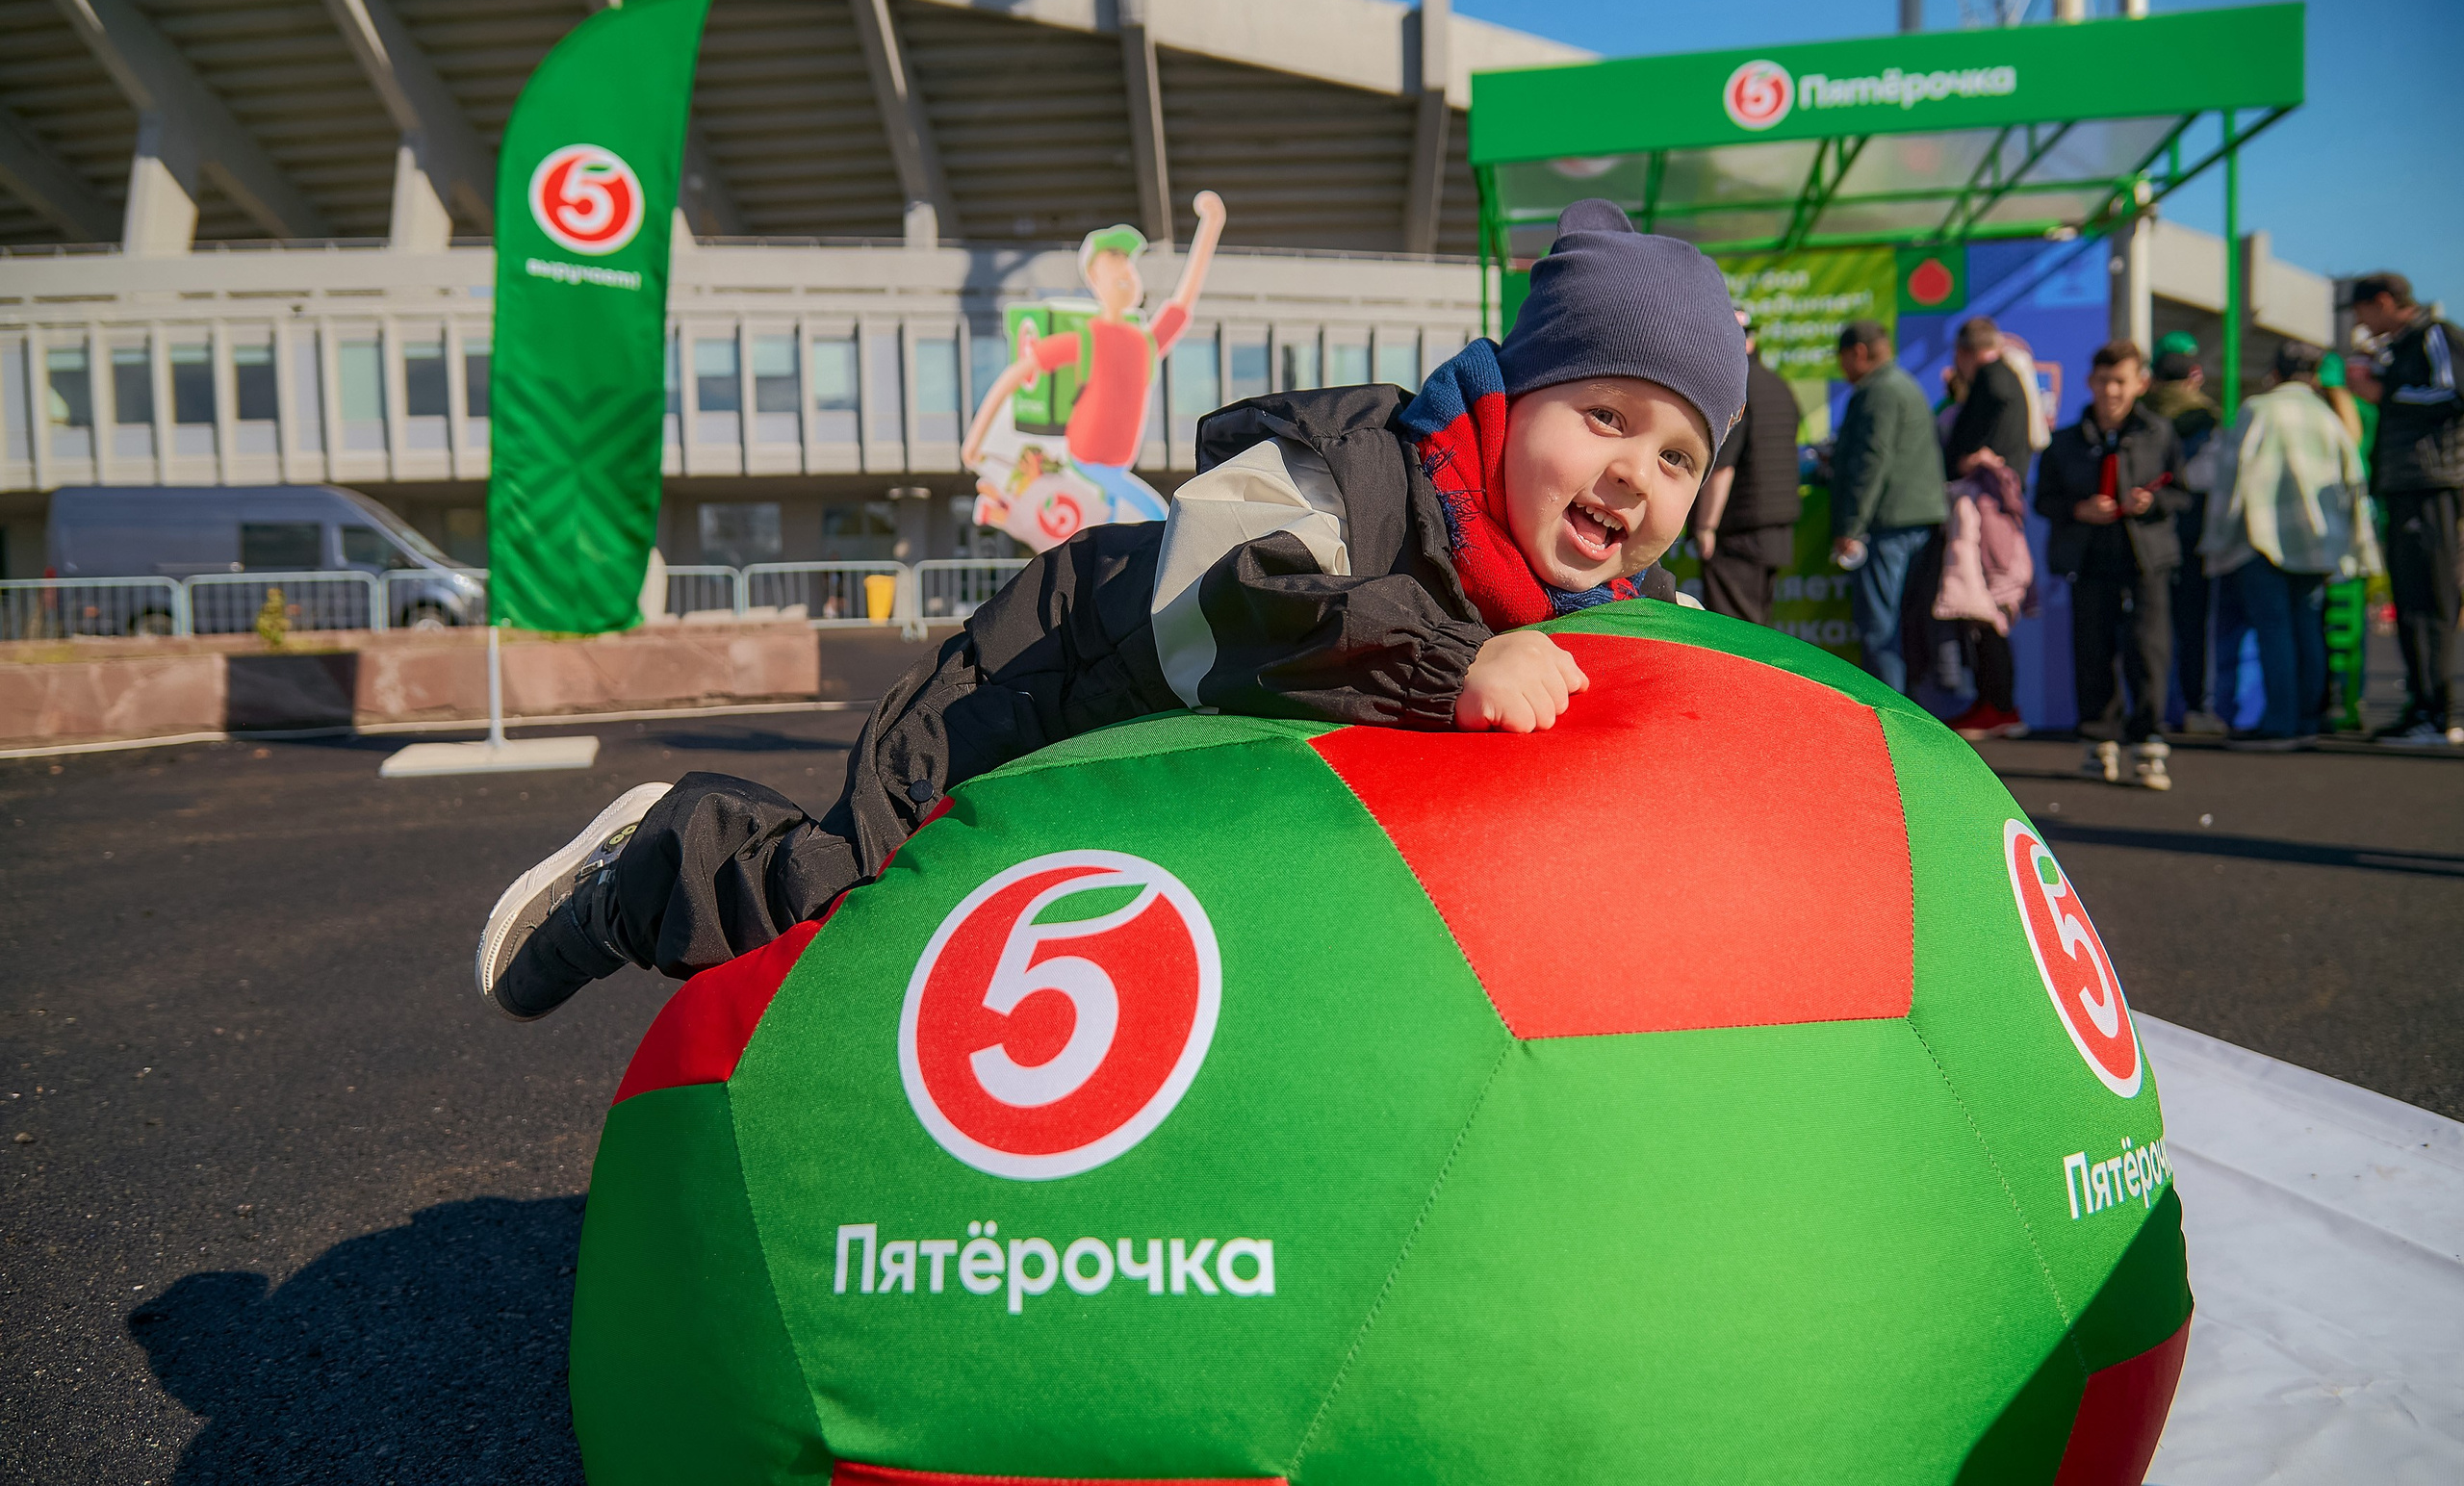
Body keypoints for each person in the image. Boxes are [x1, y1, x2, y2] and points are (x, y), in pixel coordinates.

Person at [477, 199, 1748, 1020]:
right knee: (857, 921)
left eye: (1680, 456)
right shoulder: (1355, 467)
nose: (1635, 472)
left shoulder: (1592, 607)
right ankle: (652, 870)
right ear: (1514, 398)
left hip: (1180, 801)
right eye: (1606, 417)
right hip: (1040, 687)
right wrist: (1444, 665)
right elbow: (1228, 598)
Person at [963, 192, 1229, 525]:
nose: (1126, 275)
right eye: (1114, 266)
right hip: (1087, 462)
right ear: (1094, 280)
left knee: (1112, 532)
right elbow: (1018, 372)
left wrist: (1210, 226)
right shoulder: (1088, 338)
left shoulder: (1144, 342)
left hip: (1115, 464)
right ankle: (1003, 509)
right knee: (1158, 517)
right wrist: (974, 440)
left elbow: (1183, 302)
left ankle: (1002, 511)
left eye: (1129, 267)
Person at [2197, 342, 2380, 750]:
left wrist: (2217, 538)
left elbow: (2231, 476)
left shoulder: (2258, 410)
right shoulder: (2329, 418)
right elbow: (2353, 479)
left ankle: (2279, 722)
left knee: (2273, 629)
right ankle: (2305, 720)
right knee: (2308, 629)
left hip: (2262, 539)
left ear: (2274, 373)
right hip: (2317, 543)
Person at [2036, 341, 2190, 791]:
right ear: (2090, 382)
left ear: (2140, 383)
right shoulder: (2064, 441)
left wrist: (2151, 501)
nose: (2111, 391)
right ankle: (2098, 744)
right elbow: (2043, 500)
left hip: (2147, 560)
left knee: (2148, 651)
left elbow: (2182, 492)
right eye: (2103, 381)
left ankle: (2149, 745)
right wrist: (2079, 509)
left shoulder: (2159, 433)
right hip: (2087, 561)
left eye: (2121, 381)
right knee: (2092, 651)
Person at [2344, 271, 2462, 746]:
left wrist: (2385, 390)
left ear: (2385, 301)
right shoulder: (2399, 346)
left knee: (2432, 598)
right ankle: (2422, 707)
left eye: (2361, 311)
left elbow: (2453, 391)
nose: (2360, 322)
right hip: (2405, 486)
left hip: (2431, 484)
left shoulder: (2435, 334)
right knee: (2410, 600)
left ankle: (2440, 713)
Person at [1831, 319, 1947, 694]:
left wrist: (1851, 525)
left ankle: (1888, 722)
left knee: (1880, 629)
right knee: (1905, 627)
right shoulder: (1904, 385)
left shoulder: (1877, 391)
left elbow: (1871, 461)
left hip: (1888, 526)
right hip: (1918, 521)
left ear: (1860, 353)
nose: (1843, 369)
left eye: (1843, 359)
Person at [1938, 315, 2036, 738]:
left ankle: (1998, 706)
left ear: (1964, 354)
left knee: (1987, 605)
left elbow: (1965, 449)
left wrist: (1971, 456)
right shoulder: (2011, 378)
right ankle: (1992, 703)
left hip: (1987, 511)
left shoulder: (1992, 381)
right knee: (1986, 606)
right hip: (1997, 509)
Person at [1690, 308, 1802, 625]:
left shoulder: (1734, 387)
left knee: (1734, 636)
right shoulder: (1778, 385)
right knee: (1759, 630)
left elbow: (1724, 467)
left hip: (1737, 532)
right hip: (1776, 531)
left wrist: (1705, 526)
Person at [2144, 348, 2226, 734]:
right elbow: (2210, 478)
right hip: (2193, 530)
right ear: (2194, 377)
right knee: (2194, 626)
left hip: (2147, 528)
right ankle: (2195, 707)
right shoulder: (2208, 417)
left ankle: (2151, 708)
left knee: (2149, 627)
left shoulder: (2141, 414)